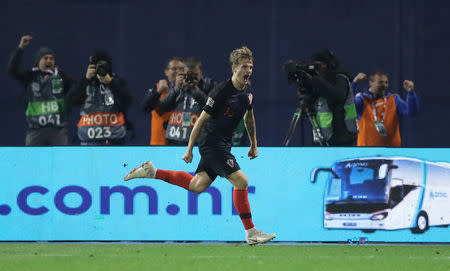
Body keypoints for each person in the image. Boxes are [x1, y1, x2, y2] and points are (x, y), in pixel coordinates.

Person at [124, 46, 276, 245]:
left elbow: (249, 118)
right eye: (244, 67)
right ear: (234, 68)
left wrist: (254, 144)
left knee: (197, 185)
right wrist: (189, 149)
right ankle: (251, 232)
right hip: (212, 143)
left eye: (251, 67)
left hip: (223, 144)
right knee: (241, 182)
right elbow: (201, 120)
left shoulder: (248, 92)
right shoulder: (221, 91)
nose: (248, 71)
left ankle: (152, 172)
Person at [7, 35, 74, 146]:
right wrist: (20, 48)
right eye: (45, 58)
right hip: (35, 131)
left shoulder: (62, 77)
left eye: (51, 58)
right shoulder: (30, 77)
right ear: (39, 61)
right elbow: (12, 70)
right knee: (33, 162)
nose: (49, 61)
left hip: (58, 131)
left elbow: (76, 89)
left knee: (61, 162)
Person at [68, 50, 131, 145]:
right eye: (98, 65)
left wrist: (111, 83)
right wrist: (86, 80)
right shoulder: (84, 83)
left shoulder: (118, 82)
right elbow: (72, 100)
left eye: (104, 66)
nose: (101, 69)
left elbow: (127, 101)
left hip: (114, 142)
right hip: (88, 143)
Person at [300, 49, 358, 146]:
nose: (317, 68)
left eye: (320, 64)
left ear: (329, 64)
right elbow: (310, 106)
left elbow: (338, 96)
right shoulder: (318, 80)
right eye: (315, 65)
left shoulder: (340, 78)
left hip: (343, 135)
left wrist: (316, 81)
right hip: (323, 137)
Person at [158, 57, 216, 145]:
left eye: (195, 75)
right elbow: (163, 107)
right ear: (182, 73)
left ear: (201, 72)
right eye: (188, 74)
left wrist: (195, 90)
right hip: (175, 138)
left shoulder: (209, 85)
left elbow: (213, 109)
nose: (191, 78)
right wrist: (176, 88)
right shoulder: (176, 85)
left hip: (199, 141)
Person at [352, 71, 418, 147]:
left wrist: (411, 93)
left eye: (386, 82)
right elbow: (347, 104)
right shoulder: (362, 99)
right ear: (371, 83)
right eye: (380, 82)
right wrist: (355, 83)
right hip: (366, 152)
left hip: (391, 152)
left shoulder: (394, 99)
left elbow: (411, 112)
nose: (384, 85)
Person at [141, 57, 185, 145]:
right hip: (159, 142)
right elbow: (145, 108)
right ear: (166, 72)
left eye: (181, 69)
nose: (178, 71)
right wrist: (158, 91)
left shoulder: (188, 91)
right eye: (174, 68)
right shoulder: (158, 88)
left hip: (180, 142)